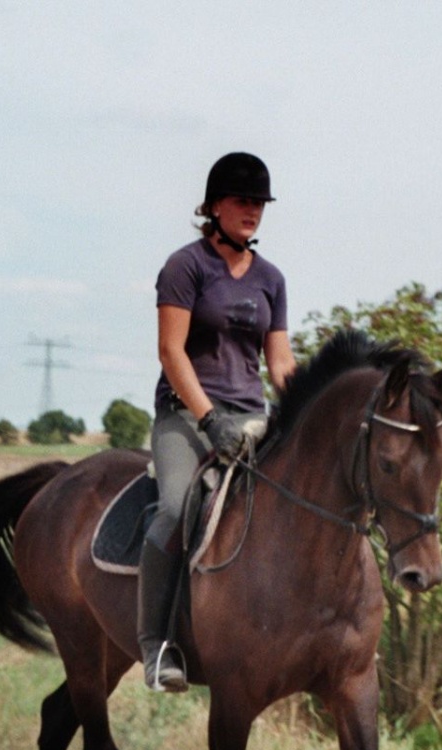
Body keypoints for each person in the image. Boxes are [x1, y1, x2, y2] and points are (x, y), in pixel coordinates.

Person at [137, 152, 296, 692]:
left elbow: (280, 364)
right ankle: (157, 646)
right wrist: (208, 418)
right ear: (214, 206)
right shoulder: (186, 266)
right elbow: (170, 350)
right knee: (178, 507)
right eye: (243, 201)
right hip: (187, 416)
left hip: (252, 418)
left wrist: (297, 414)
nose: (253, 211)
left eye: (259, 203)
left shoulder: (271, 279)